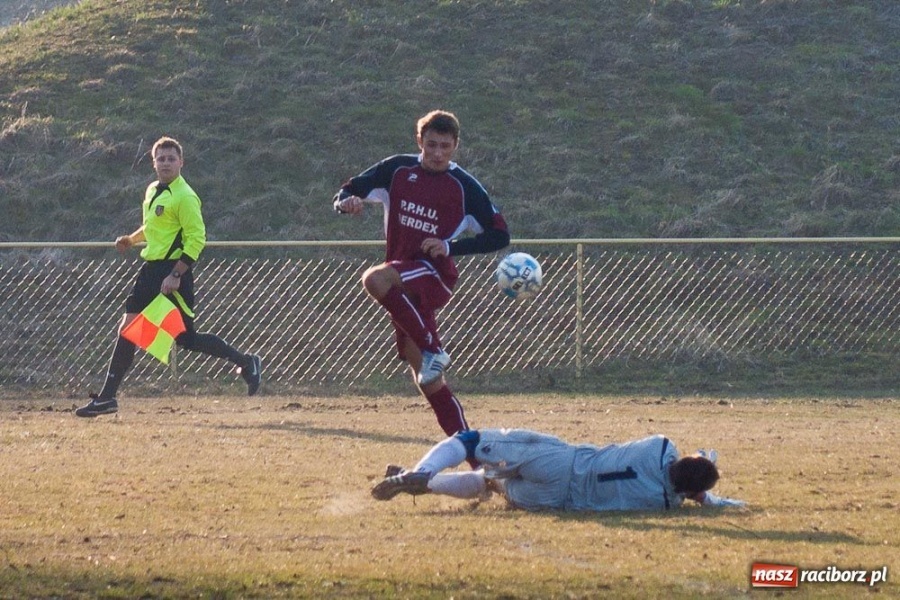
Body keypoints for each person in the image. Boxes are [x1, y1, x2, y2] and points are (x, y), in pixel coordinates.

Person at [333, 110, 510, 438]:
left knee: (374, 278)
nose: (438, 153)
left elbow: (500, 235)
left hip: (434, 275)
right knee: (428, 380)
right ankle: (474, 457)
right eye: (431, 145)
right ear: (420, 142)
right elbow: (347, 191)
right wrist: (347, 204)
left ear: (456, 145)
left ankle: (433, 351)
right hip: (402, 284)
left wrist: (449, 246)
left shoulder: (465, 188)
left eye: (445, 146)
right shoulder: (397, 170)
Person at [75, 136, 261, 417]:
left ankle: (246, 361)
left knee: (186, 339)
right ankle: (107, 398)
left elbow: (196, 239)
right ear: (153, 163)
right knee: (129, 329)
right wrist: (132, 239)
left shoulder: (185, 196)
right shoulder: (152, 190)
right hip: (150, 270)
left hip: (173, 273)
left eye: (171, 158)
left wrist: (176, 274)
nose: (165, 163)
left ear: (181, 162)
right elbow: (153, 227)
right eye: (160, 158)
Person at [371, 428, 747, 511]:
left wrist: (704, 462)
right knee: (492, 484)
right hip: (557, 500)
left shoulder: (661, 446)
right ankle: (425, 484)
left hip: (565, 461)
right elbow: (691, 489)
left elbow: (685, 465)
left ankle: (422, 472)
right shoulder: (664, 503)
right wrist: (714, 500)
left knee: (470, 441)